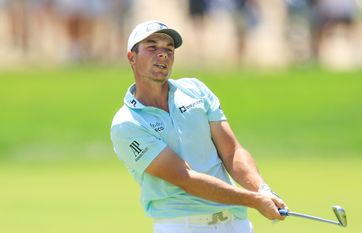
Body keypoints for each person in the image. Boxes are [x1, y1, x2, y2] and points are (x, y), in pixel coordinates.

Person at [110, 20, 288, 233]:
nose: (163, 54)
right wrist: (255, 200)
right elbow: (185, 178)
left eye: (169, 49)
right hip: (182, 225)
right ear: (132, 57)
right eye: (152, 47)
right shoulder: (127, 123)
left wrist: (263, 189)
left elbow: (232, 152)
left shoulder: (196, 90)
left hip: (235, 223)